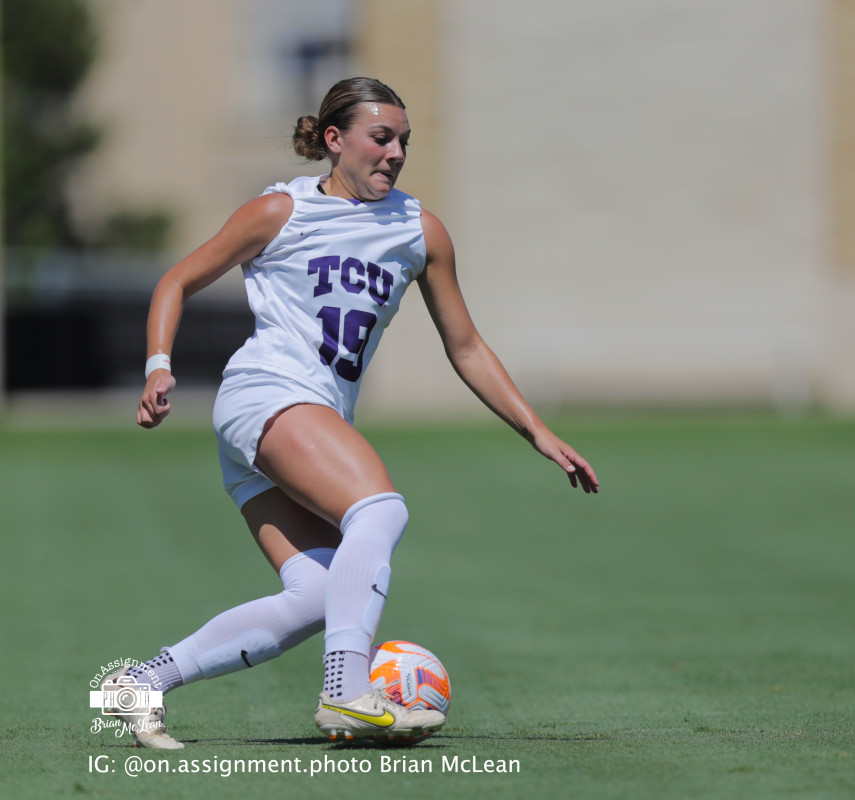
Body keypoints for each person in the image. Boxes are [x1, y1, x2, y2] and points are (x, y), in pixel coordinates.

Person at [101, 77, 599, 749]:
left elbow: (466, 346)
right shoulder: (281, 210)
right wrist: (158, 364)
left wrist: (536, 430)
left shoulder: (420, 230)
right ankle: (345, 691)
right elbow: (177, 279)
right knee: (380, 510)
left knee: (317, 595)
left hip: (294, 420)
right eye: (381, 137)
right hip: (267, 393)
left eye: (404, 141)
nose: (395, 153)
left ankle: (140, 683)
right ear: (334, 140)